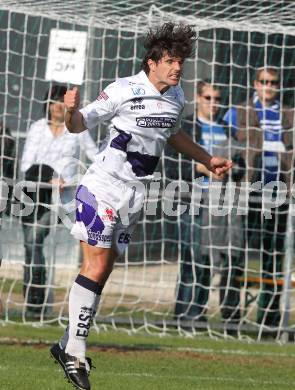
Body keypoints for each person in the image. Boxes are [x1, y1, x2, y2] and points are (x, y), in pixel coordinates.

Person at [50, 23, 232, 390]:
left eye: (180, 61)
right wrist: (69, 113)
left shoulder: (177, 96)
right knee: (96, 263)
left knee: (103, 270)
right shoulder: (122, 90)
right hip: (101, 188)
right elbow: (78, 125)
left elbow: (173, 134)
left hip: (135, 196)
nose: (177, 67)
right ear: (151, 63)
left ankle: (66, 343)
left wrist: (207, 159)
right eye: (169, 61)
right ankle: (75, 352)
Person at [166, 80, 245, 332]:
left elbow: (240, 162)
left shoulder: (227, 130)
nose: (214, 103)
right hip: (192, 200)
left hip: (220, 204)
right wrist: (203, 168)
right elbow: (170, 164)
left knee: (209, 263)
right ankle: (183, 314)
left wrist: (232, 169)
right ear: (198, 98)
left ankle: (197, 315)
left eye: (218, 99)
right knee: (191, 259)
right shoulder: (186, 126)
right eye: (209, 98)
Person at [223, 67, 294, 332]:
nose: (268, 86)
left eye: (273, 82)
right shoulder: (238, 112)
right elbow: (226, 144)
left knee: (273, 255)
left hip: (279, 193)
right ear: (255, 84)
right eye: (263, 81)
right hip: (247, 191)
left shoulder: (289, 114)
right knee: (237, 253)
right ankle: (231, 317)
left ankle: (269, 318)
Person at [20, 84, 97, 314]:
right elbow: (25, 164)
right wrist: (49, 176)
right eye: (53, 101)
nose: (57, 106)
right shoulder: (36, 128)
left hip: (65, 200)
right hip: (37, 196)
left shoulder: (77, 129)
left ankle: (75, 302)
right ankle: (35, 299)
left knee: (86, 243)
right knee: (31, 243)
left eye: (61, 101)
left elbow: (94, 155)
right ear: (47, 103)